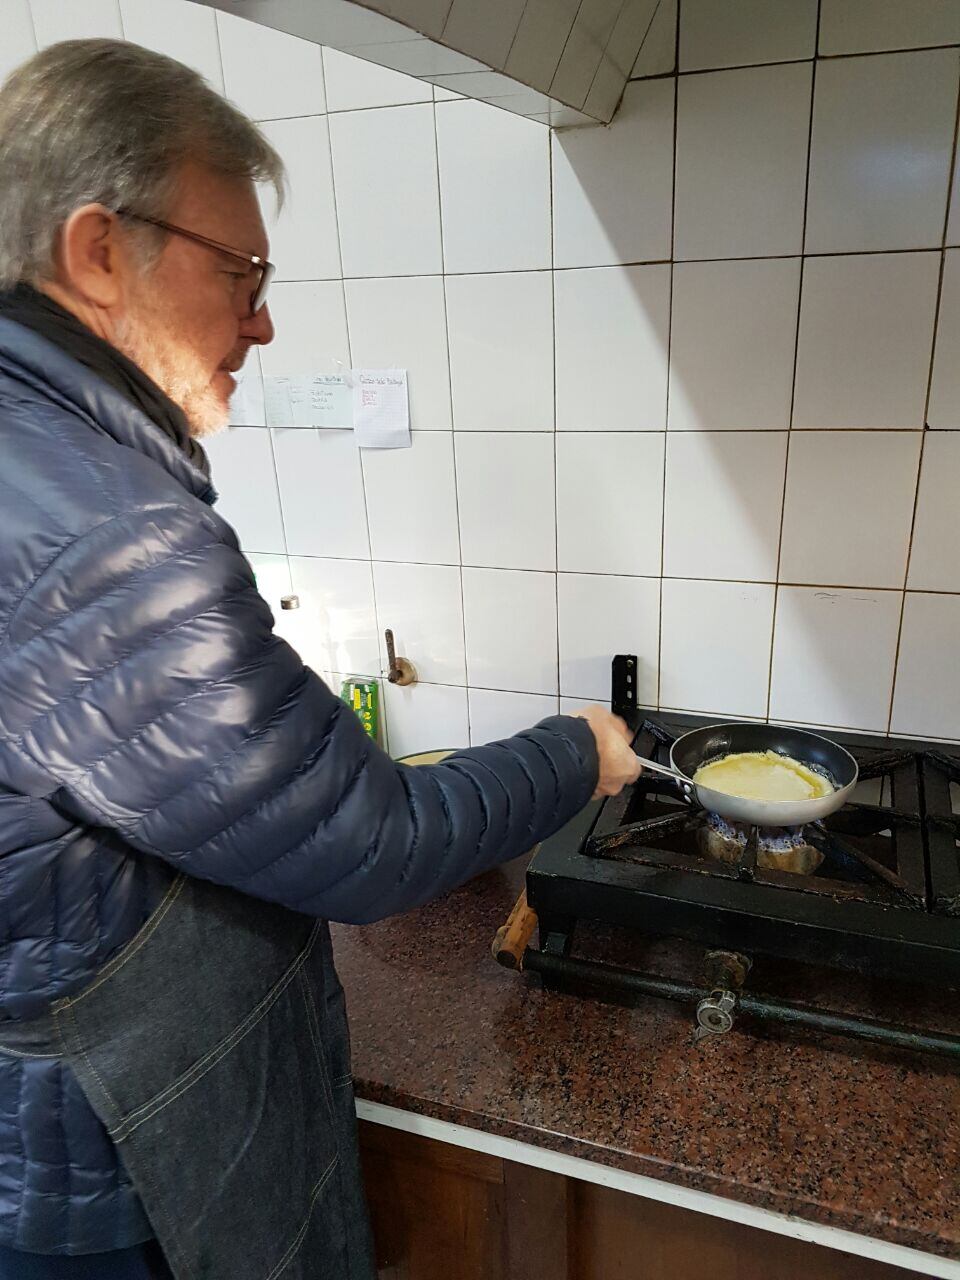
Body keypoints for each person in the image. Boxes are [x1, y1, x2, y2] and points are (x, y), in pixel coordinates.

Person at [0, 38, 641, 1280]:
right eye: (239, 271)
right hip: (123, 1174)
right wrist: (581, 747)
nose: (265, 316)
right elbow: (369, 840)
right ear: (96, 251)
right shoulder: (108, 538)